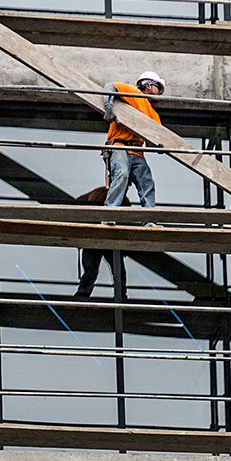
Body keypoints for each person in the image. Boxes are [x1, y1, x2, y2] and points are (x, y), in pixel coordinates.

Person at [74, 71, 165, 298]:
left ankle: (149, 219)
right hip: (120, 146)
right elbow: (110, 86)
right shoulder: (133, 93)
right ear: (147, 85)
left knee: (146, 182)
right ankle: (110, 214)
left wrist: (163, 145)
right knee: (121, 174)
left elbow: (159, 136)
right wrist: (109, 108)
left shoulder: (151, 113)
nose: (159, 93)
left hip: (136, 150)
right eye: (157, 88)